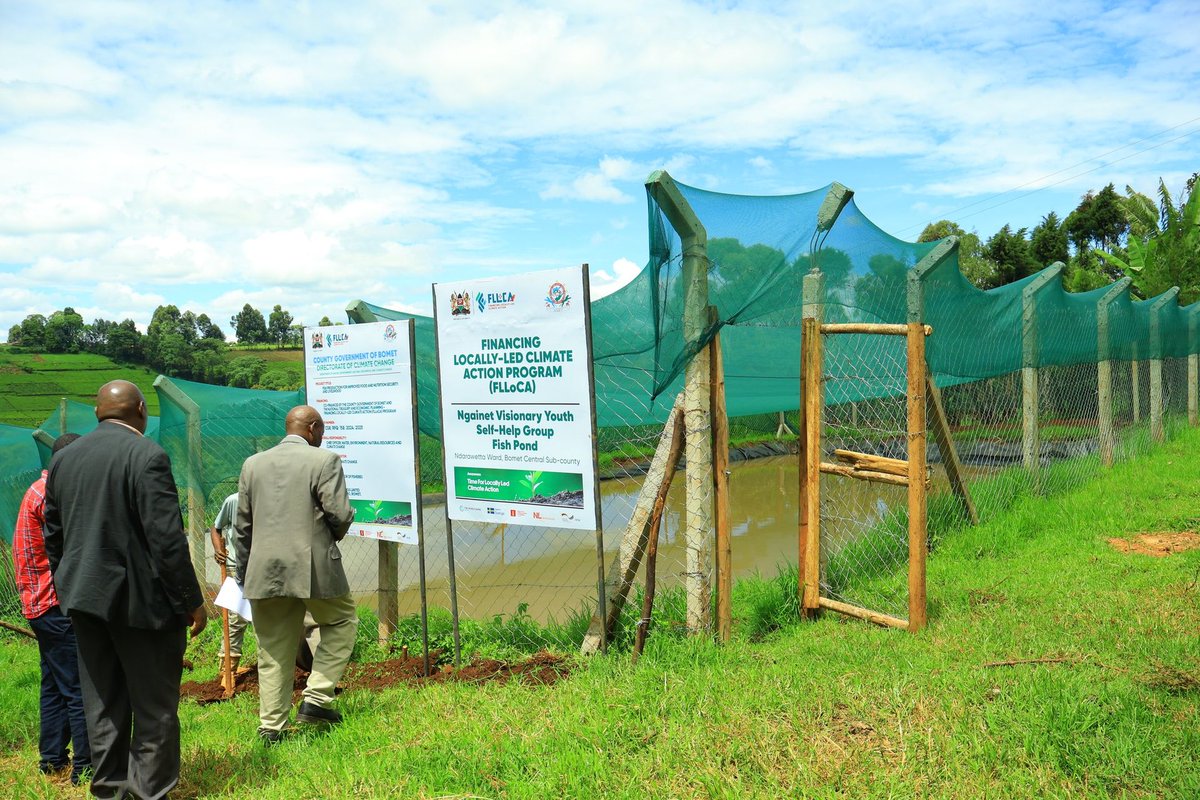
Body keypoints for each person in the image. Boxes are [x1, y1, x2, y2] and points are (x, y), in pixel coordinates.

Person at [43, 380, 205, 800]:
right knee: (154, 705)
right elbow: (166, 540)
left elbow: (53, 535)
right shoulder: (146, 455)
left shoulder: (65, 459)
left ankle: (110, 788)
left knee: (102, 702)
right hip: (142, 605)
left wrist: (67, 585)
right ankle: (148, 792)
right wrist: (190, 601)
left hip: (84, 601)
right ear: (141, 411)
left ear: (98, 412)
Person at [235, 405, 356, 744]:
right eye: (322, 431)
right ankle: (317, 697)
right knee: (342, 621)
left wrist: (244, 571)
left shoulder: (252, 464)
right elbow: (340, 513)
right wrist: (328, 539)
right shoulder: (325, 460)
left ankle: (271, 727)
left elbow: (242, 525)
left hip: (263, 569)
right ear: (313, 428)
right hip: (313, 566)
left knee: (272, 647)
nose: (323, 437)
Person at [12, 433, 91, 785]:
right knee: (79, 686)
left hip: (39, 603)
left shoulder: (38, 489)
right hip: (53, 603)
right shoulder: (50, 494)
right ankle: (85, 767)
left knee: (55, 684)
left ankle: (52, 759)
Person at [210, 492, 250, 673]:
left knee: (265, 618)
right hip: (236, 566)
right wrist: (218, 549)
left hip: (263, 568)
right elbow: (216, 527)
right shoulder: (234, 500)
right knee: (236, 617)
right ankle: (228, 670)